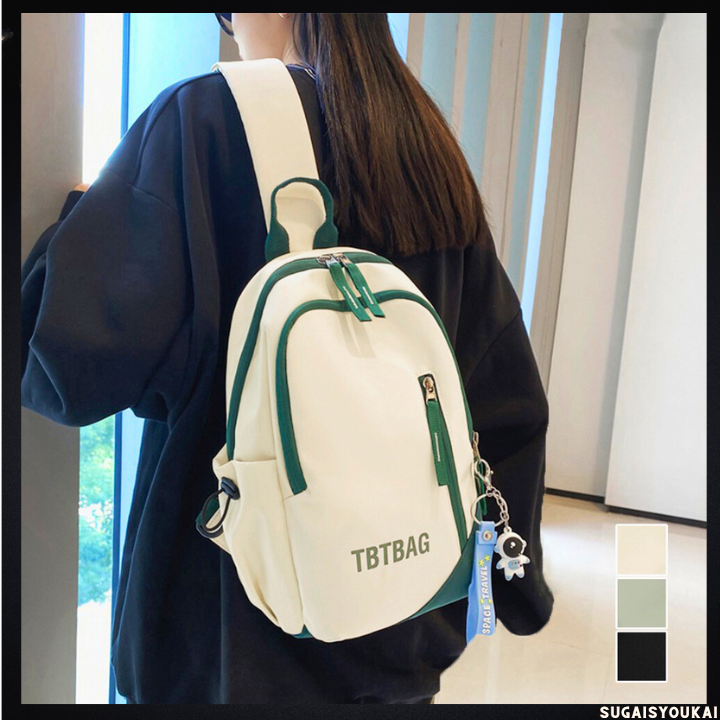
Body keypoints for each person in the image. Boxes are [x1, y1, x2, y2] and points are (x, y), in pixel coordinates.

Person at [21, 13, 554, 705]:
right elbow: (506, 399)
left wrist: (81, 223)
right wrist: (514, 590)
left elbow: (66, 363)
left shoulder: (205, 123)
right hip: (402, 623)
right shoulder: (427, 145)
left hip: (230, 645)